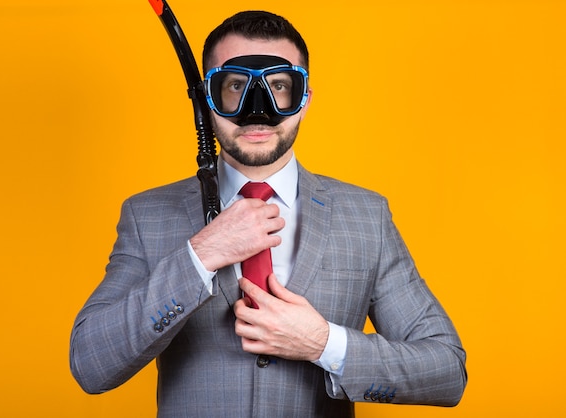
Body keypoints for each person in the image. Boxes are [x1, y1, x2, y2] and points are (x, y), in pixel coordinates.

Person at [70, 10, 467, 417]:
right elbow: (90, 364)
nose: (257, 111)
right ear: (207, 97)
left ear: (305, 99)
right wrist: (199, 256)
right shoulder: (147, 215)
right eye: (236, 86)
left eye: (279, 86)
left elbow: (447, 372)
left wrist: (323, 344)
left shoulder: (366, 217)